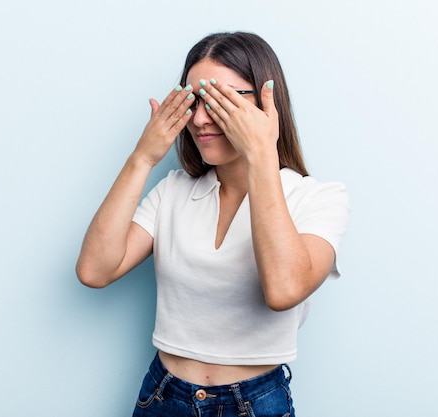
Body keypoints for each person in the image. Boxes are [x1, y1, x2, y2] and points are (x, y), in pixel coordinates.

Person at [76, 31, 350, 417]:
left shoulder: (319, 198)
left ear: (268, 104)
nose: (201, 118)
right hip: (162, 396)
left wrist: (260, 153)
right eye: (195, 100)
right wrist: (142, 158)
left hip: (254, 404)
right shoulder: (173, 190)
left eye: (222, 100)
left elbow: (284, 290)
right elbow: (94, 270)